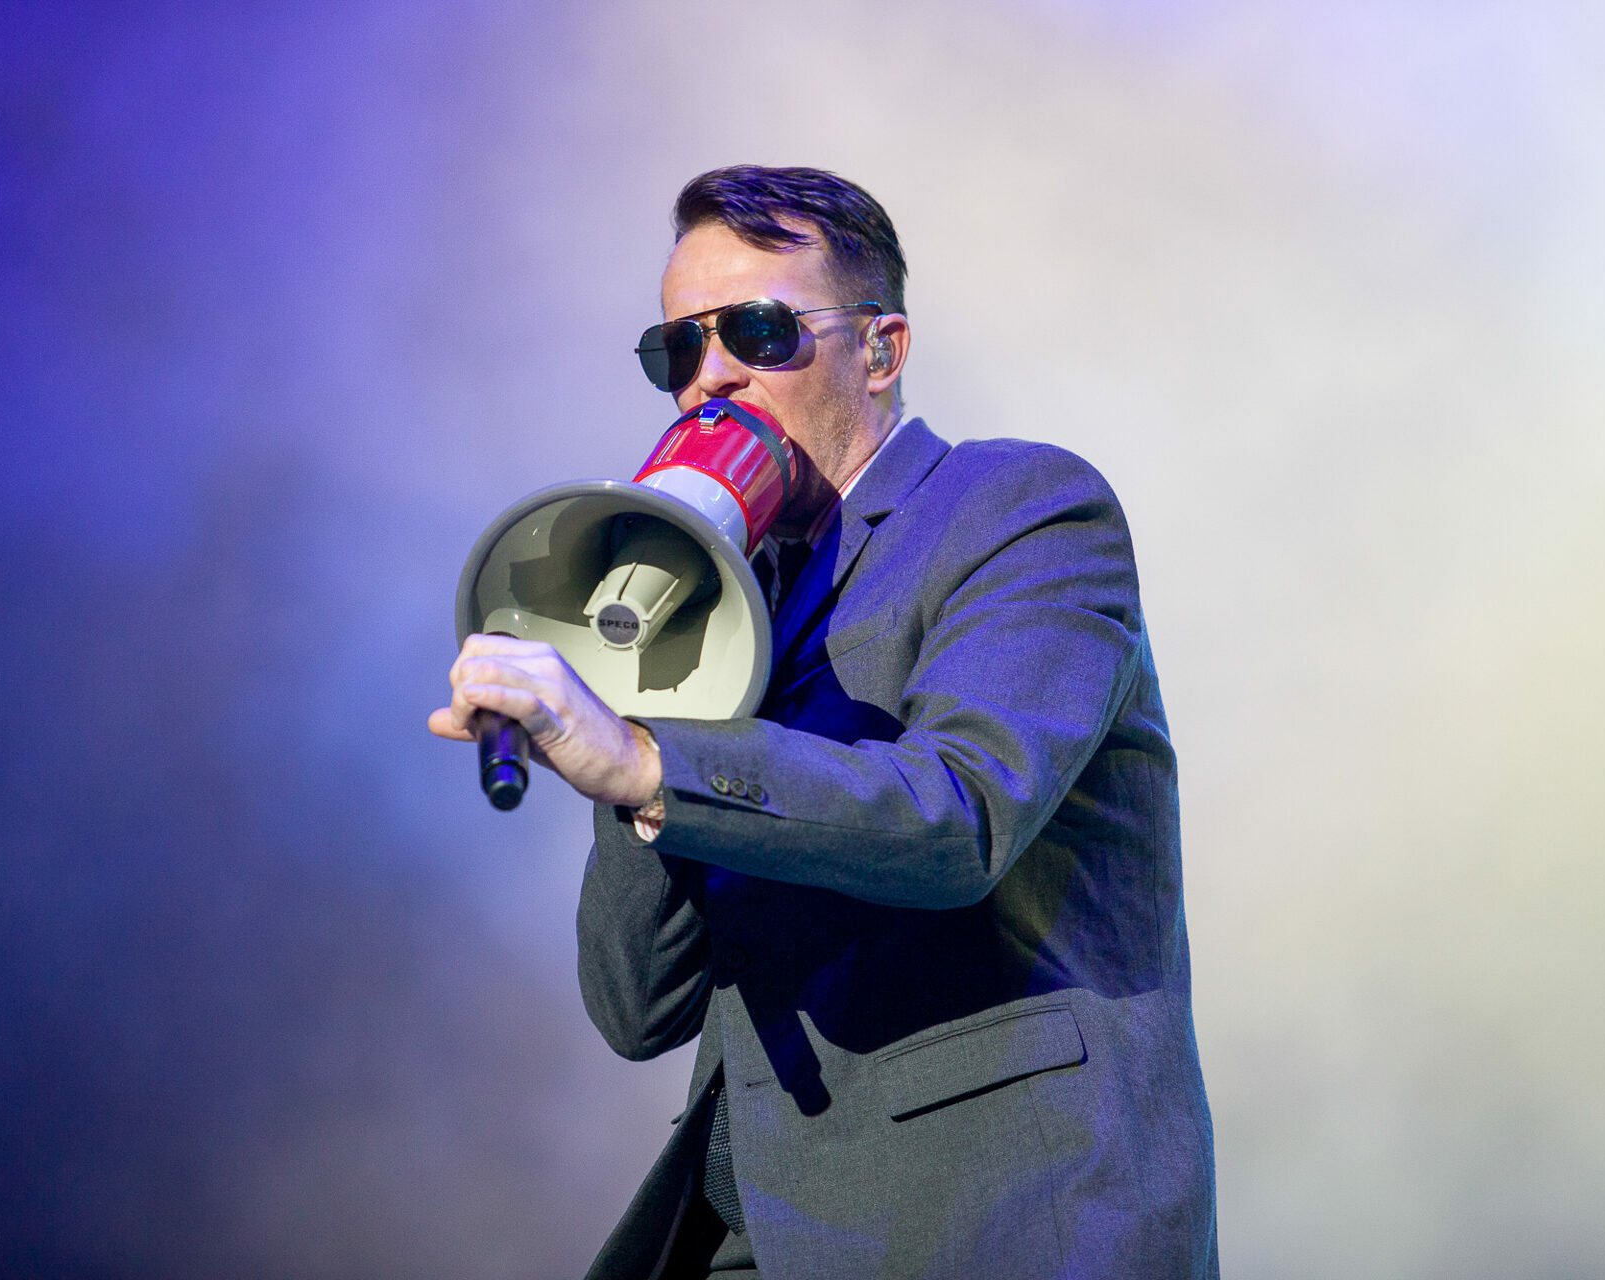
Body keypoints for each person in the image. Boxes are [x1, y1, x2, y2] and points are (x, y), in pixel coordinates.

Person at [430, 166, 1216, 1279]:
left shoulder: (1017, 507)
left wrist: (650, 761)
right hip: (760, 1232)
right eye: (677, 349)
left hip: (991, 1224)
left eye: (756, 330)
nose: (710, 377)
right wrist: (634, 697)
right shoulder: (722, 604)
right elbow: (638, 1004)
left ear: (881, 350)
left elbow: (959, 816)